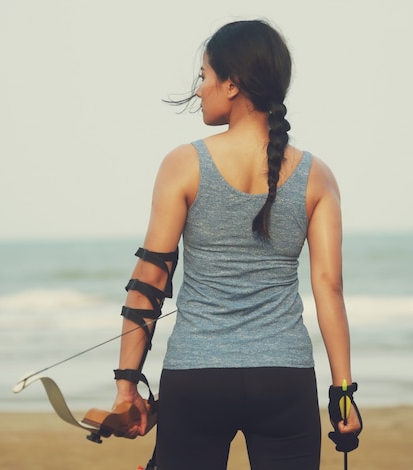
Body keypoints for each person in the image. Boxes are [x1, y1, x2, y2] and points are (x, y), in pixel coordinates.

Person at [112, 18, 362, 470]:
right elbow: (329, 288)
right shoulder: (317, 176)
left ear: (232, 84)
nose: (197, 89)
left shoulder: (184, 164)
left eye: (204, 76)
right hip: (284, 379)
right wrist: (343, 394)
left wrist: (127, 385)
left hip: (197, 375)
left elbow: (150, 279)